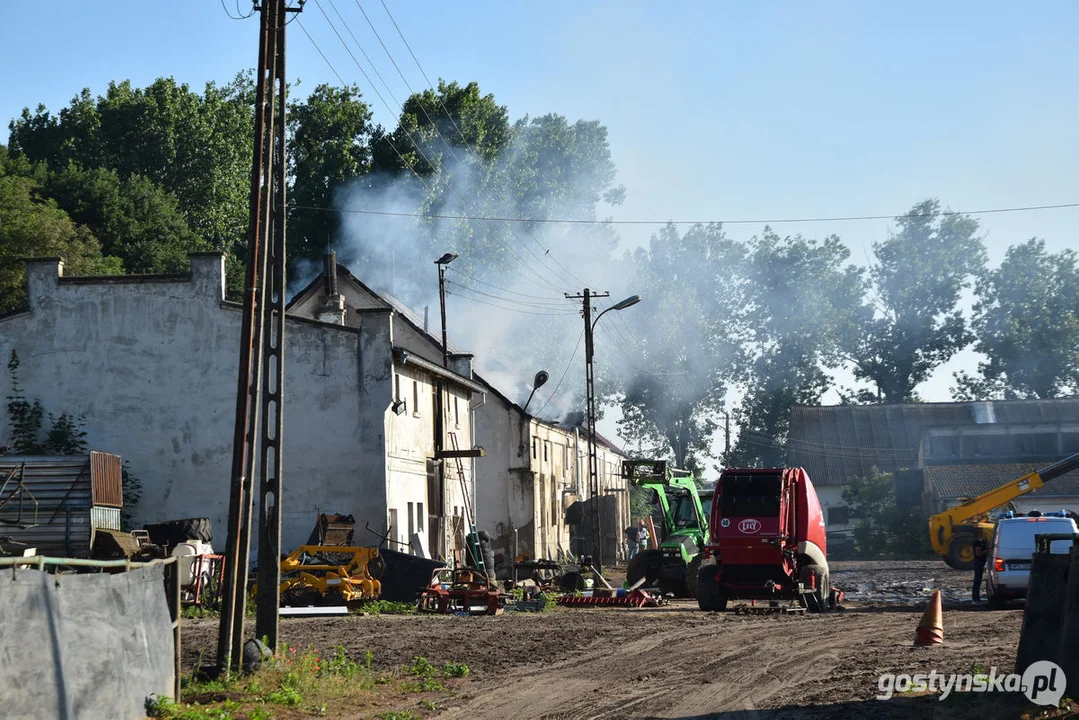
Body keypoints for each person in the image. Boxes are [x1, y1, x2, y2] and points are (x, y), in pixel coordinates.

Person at [972, 533, 989, 603]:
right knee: (977, 581)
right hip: (979, 562)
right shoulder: (978, 542)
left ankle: (976, 597)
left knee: (978, 581)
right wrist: (988, 550)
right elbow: (978, 553)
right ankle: (976, 598)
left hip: (981, 562)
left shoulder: (982, 542)